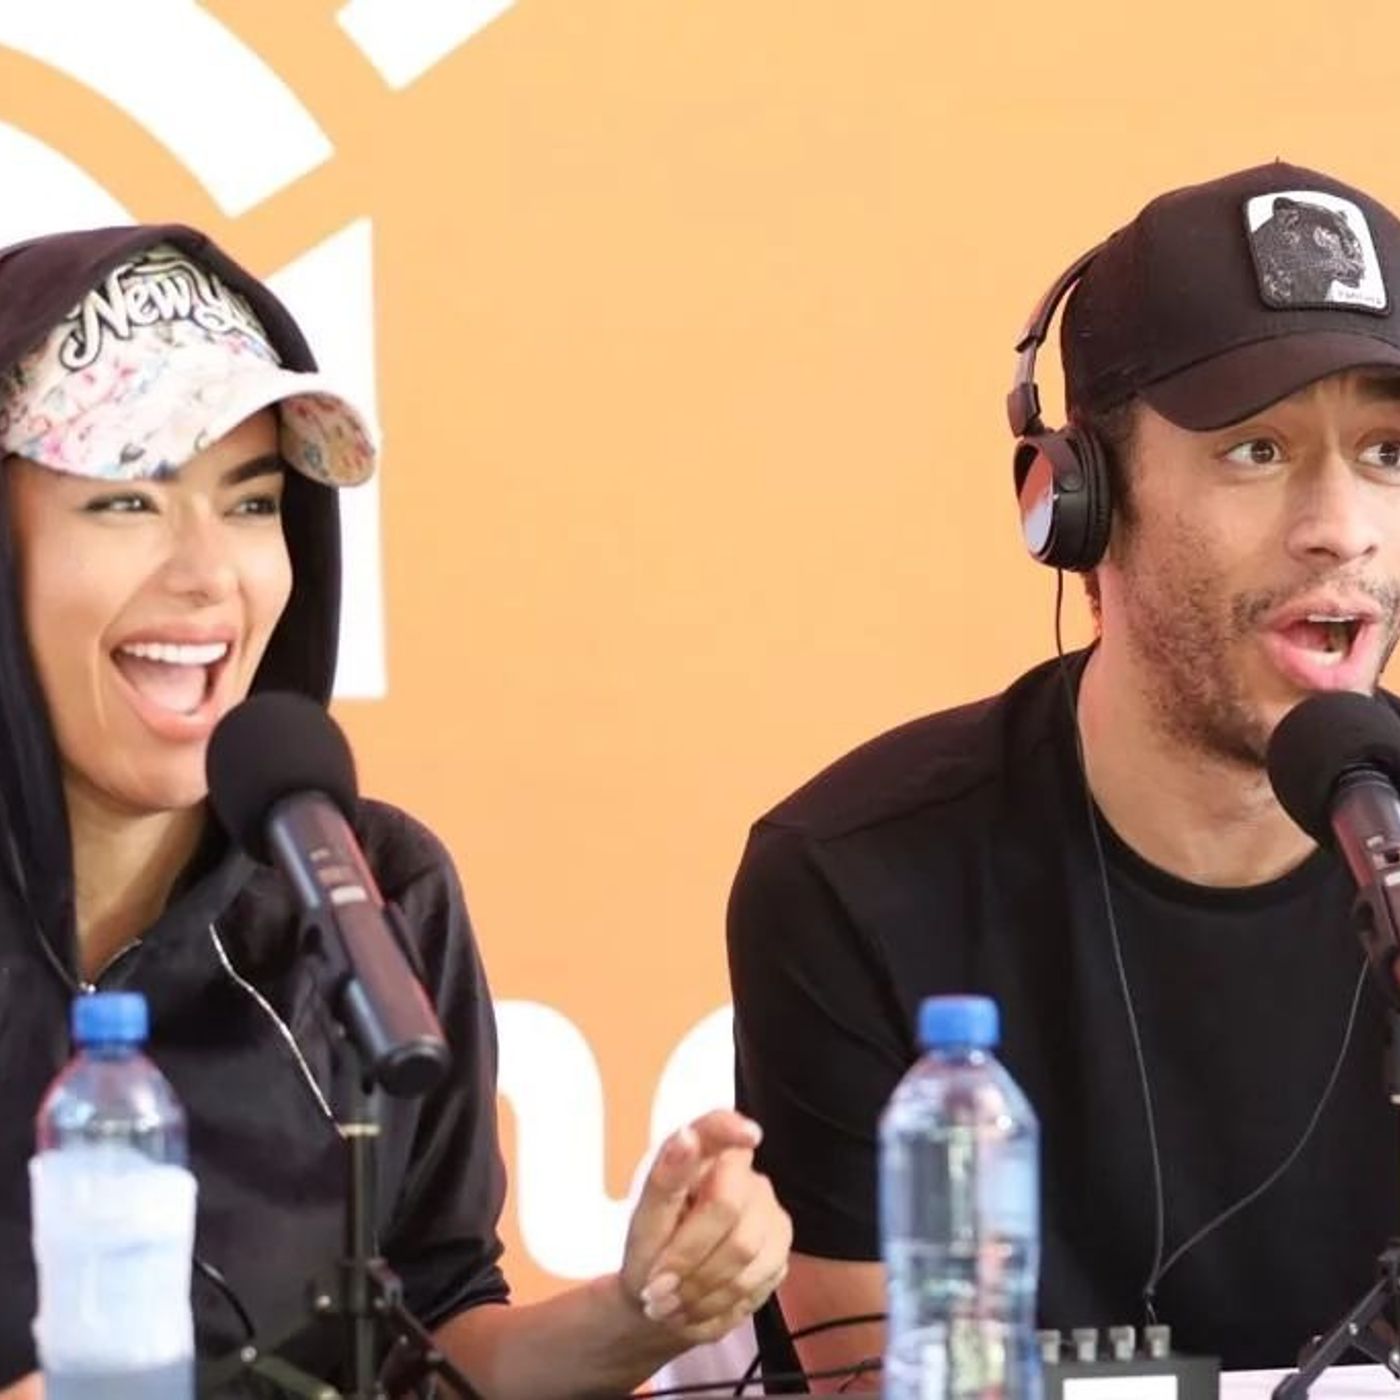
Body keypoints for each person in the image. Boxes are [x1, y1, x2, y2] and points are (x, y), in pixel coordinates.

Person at [0, 227, 791, 1398]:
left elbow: (437, 1330)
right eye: (127, 498)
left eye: (252, 501)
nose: (208, 574)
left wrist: (640, 1312)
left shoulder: (370, 884)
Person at [726, 159, 1400, 1389]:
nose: (1340, 526)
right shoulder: (856, 877)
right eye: (1256, 448)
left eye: (1385, 451)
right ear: (1071, 502)